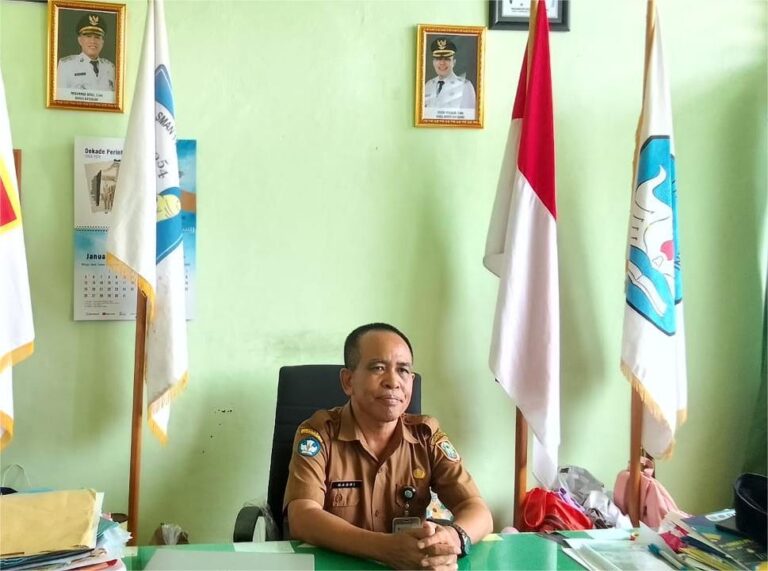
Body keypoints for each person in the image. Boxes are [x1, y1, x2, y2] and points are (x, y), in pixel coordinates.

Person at [284, 323, 493, 570]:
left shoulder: (426, 436)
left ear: (411, 382)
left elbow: (477, 510)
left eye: (403, 370)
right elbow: (302, 516)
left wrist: (454, 538)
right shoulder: (318, 434)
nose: (393, 381)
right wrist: (385, 549)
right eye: (378, 368)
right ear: (348, 381)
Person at [57, 13, 115, 95]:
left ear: (102, 42)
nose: (93, 41)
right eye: (88, 36)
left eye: (97, 37)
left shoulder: (110, 67)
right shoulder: (66, 65)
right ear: (80, 40)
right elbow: (60, 98)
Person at [423, 38, 476, 120]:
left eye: (447, 59)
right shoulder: (428, 85)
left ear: (454, 62)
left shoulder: (465, 86)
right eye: (438, 59)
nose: (442, 63)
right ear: (433, 62)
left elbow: (469, 119)